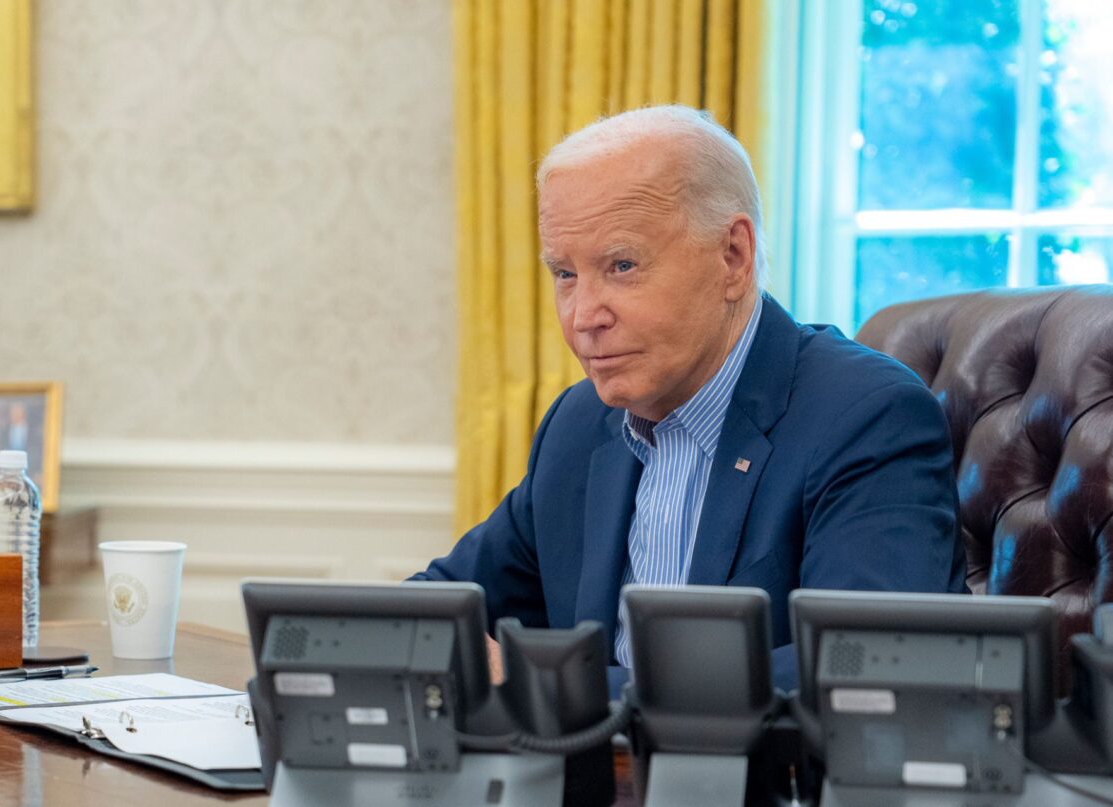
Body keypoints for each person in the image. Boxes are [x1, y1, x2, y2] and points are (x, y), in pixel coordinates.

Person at [412, 105, 966, 692]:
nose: (582, 318)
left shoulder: (868, 417)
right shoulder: (578, 426)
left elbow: (859, 667)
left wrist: (543, 682)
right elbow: (429, 611)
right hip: (599, 782)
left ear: (733, 257)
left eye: (621, 266)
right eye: (565, 274)